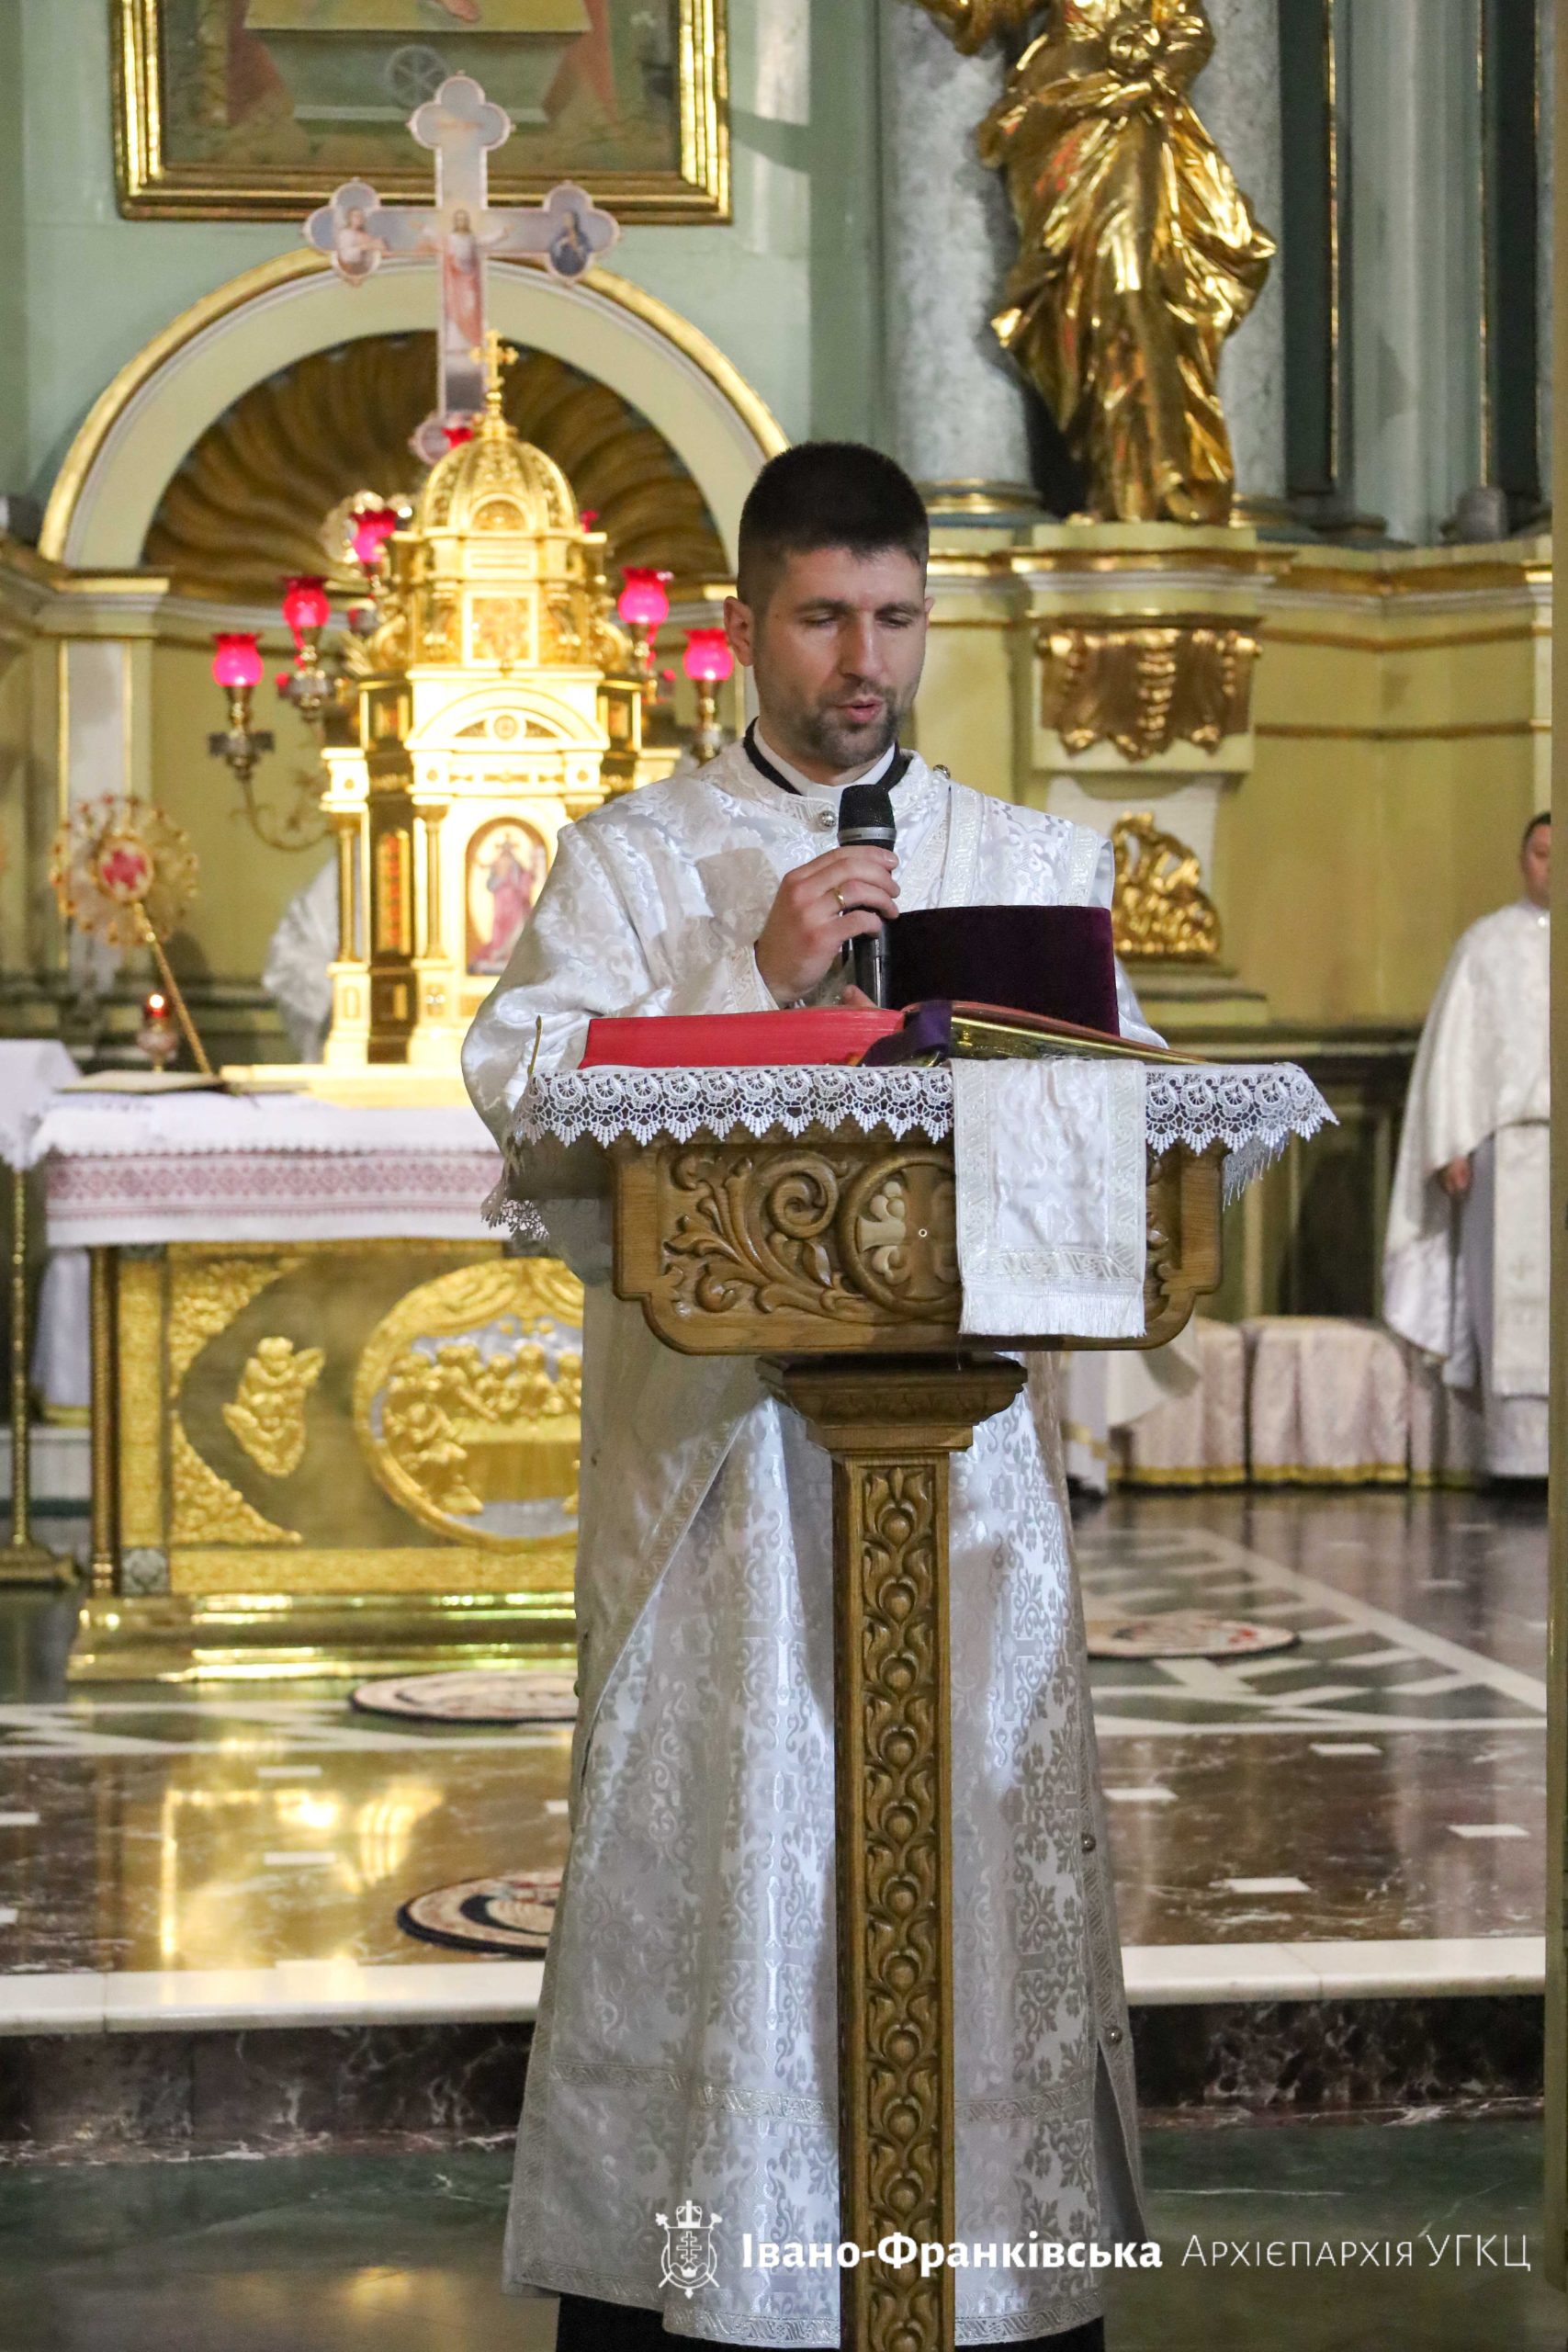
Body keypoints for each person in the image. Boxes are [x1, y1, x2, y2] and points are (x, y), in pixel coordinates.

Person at [463, 443, 1157, 2350]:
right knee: (731, 1849)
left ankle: (983, 2275)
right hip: (726, 1473)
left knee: (963, 1842)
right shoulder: (635, 859)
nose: (865, 661)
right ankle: (714, 2277)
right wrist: (744, 970)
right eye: (825, 618)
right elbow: (525, 1081)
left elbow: (1142, 1105)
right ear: (744, 622)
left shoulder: (1025, 860)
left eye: (897, 618)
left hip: (963, 1470)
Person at [1383, 812, 1551, 1479]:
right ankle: (1516, 1457)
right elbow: (1454, 1052)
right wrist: (1450, 1143)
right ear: (1522, 860)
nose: (1551, 868)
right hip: (1505, 1154)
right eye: (1541, 854)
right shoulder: (1486, 945)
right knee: (1505, 1305)